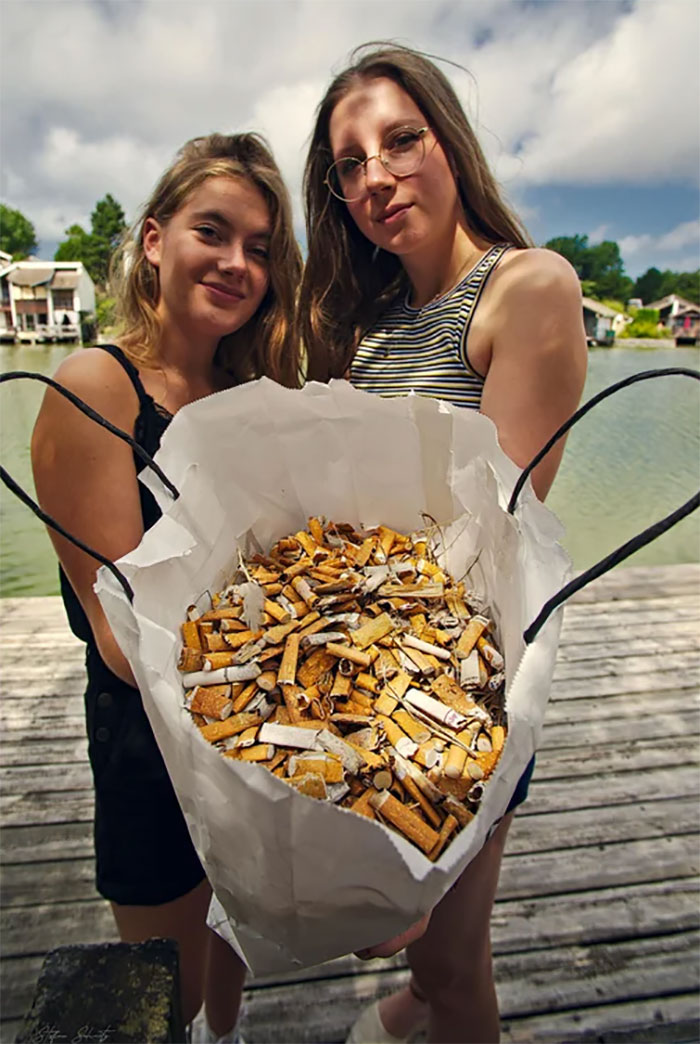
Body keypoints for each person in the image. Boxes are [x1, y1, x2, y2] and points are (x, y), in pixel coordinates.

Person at [299, 44, 587, 1044]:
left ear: (449, 145)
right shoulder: (365, 323)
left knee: (449, 961)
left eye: (400, 140)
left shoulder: (528, 288)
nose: (375, 176)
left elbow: (489, 538)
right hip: (362, 666)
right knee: (421, 954)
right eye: (347, 163)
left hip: (461, 680)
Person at [31, 133, 302, 1042]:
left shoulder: (249, 392)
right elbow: (121, 635)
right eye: (212, 232)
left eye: (260, 248)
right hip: (149, 739)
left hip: (260, 723)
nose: (237, 264)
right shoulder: (92, 386)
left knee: (235, 934)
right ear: (153, 239)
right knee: (167, 987)